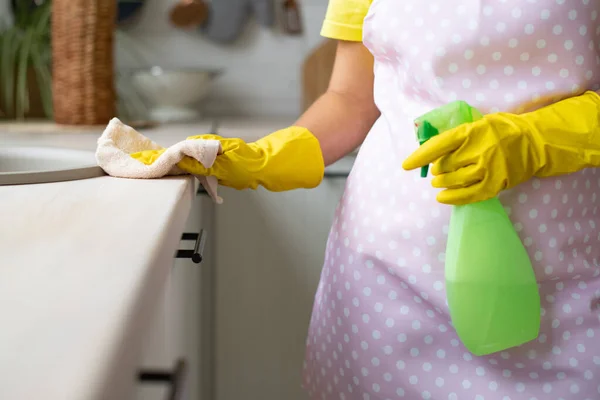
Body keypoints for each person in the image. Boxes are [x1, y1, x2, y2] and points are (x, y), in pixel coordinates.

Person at [183, 0, 600, 398]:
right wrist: (270, 157)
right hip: (387, 282)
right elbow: (350, 99)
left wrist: (536, 141)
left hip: (561, 286)